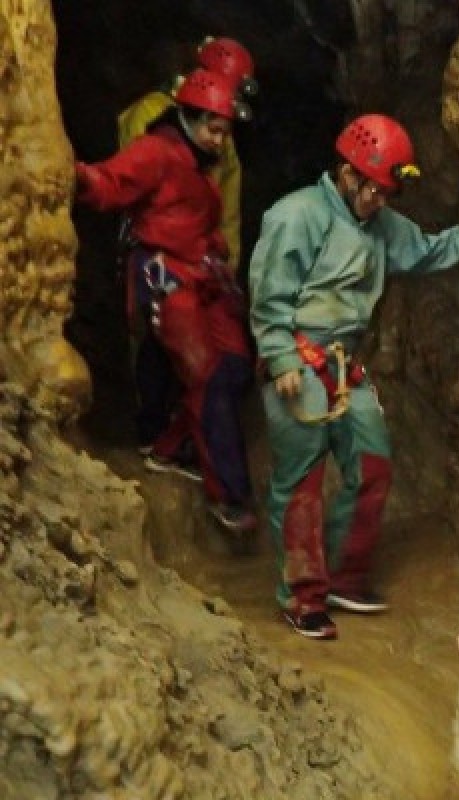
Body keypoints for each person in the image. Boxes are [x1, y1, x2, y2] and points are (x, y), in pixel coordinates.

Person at [247, 113, 459, 641]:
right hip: (300, 358)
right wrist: (280, 358)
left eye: (387, 192)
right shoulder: (296, 216)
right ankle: (302, 594)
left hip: (345, 362)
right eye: (374, 190)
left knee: (372, 464)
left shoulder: (382, 225)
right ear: (347, 175)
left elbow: (428, 250)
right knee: (301, 484)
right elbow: (269, 292)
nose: (380, 201)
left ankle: (345, 574)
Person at [75, 68, 258, 533]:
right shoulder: (157, 151)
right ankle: (231, 498)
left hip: (204, 275)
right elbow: (111, 183)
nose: (221, 139)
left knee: (236, 365)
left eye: (226, 130)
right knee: (205, 373)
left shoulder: (202, 163)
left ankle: (171, 444)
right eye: (214, 129)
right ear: (188, 118)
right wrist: (74, 176)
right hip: (166, 276)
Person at [117, 36, 257, 466]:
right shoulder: (150, 117)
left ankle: (180, 439)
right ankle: (152, 430)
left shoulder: (222, 136)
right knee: (155, 343)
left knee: (208, 358)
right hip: (161, 252)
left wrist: (227, 259)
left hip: (204, 259)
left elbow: (228, 200)